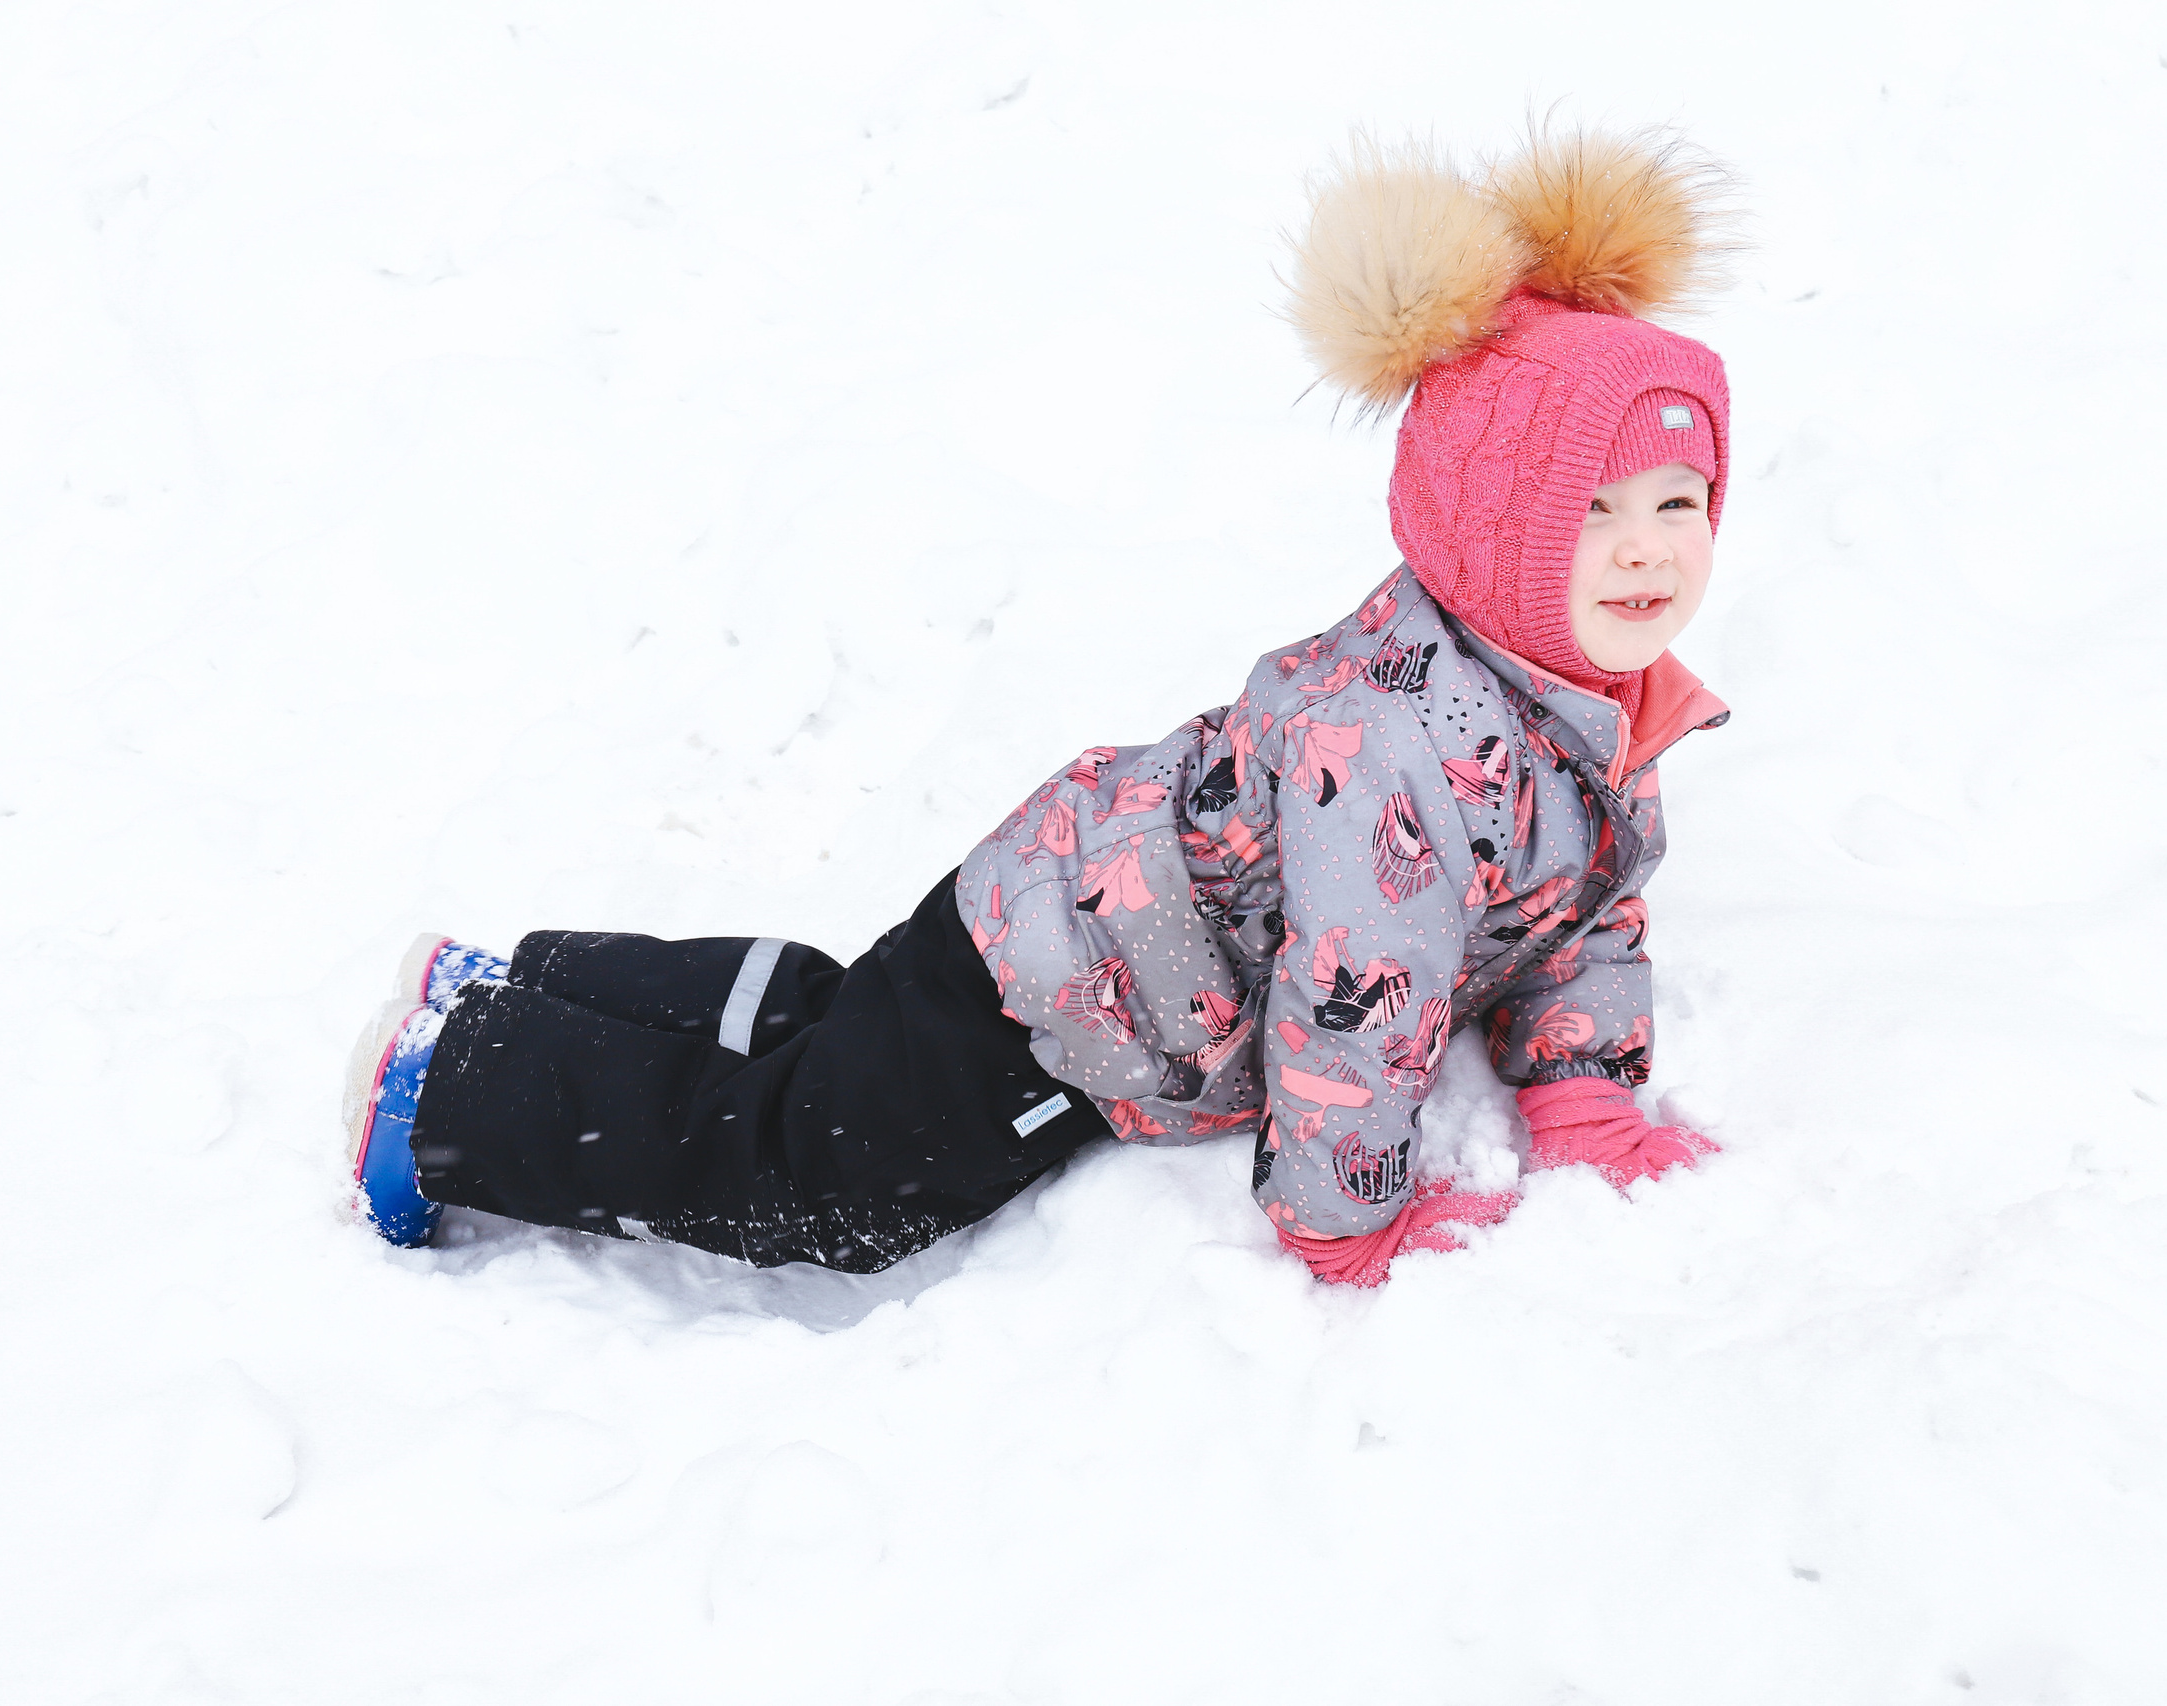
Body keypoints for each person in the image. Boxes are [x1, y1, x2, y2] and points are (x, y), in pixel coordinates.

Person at [344, 125, 1735, 1287]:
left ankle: (521, 977)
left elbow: (1587, 899)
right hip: (1072, 997)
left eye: (1679, 504)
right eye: (1592, 513)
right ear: (1486, 532)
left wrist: (1582, 1086)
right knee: (820, 1175)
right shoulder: (1395, 747)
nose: (1647, 547)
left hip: (1063, 904)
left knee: (828, 1027)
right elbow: (1348, 1005)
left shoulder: (1593, 705)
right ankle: (452, 1083)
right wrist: (1350, 1219)